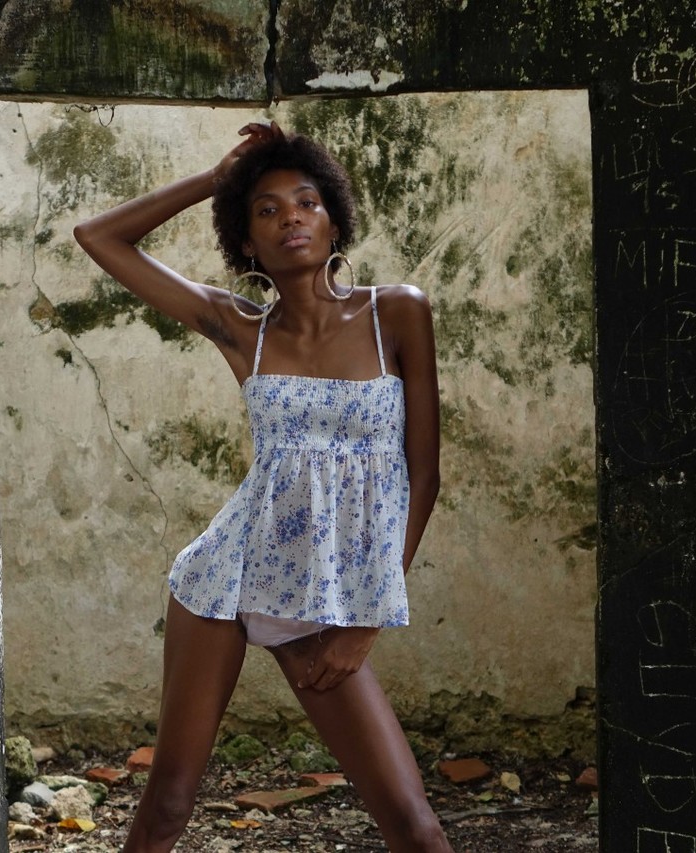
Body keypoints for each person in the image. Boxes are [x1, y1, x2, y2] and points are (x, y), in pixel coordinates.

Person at [73, 121, 449, 853]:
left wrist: (366, 618)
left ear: (333, 219)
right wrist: (216, 181)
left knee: (414, 826)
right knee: (168, 804)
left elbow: (423, 474)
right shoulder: (240, 328)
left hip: (321, 596)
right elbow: (99, 237)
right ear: (247, 242)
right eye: (267, 209)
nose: (290, 219)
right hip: (225, 579)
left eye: (306, 202)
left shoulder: (397, 312)